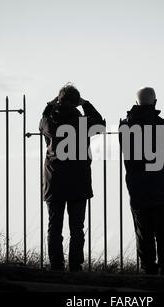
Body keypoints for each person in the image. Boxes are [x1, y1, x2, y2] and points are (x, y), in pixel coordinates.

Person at [119, 87, 164, 275]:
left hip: (138, 189)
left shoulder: (125, 127)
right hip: (161, 188)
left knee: (144, 234)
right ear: (155, 102)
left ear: (136, 103)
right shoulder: (163, 126)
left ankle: (147, 269)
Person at [39, 84, 105, 272]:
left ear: (59, 100)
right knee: (77, 228)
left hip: (54, 181)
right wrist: (86, 103)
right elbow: (101, 123)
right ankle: (76, 265)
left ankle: (56, 266)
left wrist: (50, 105)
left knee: (54, 227)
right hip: (78, 181)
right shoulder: (84, 123)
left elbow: (41, 120)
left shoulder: (49, 123)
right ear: (76, 103)